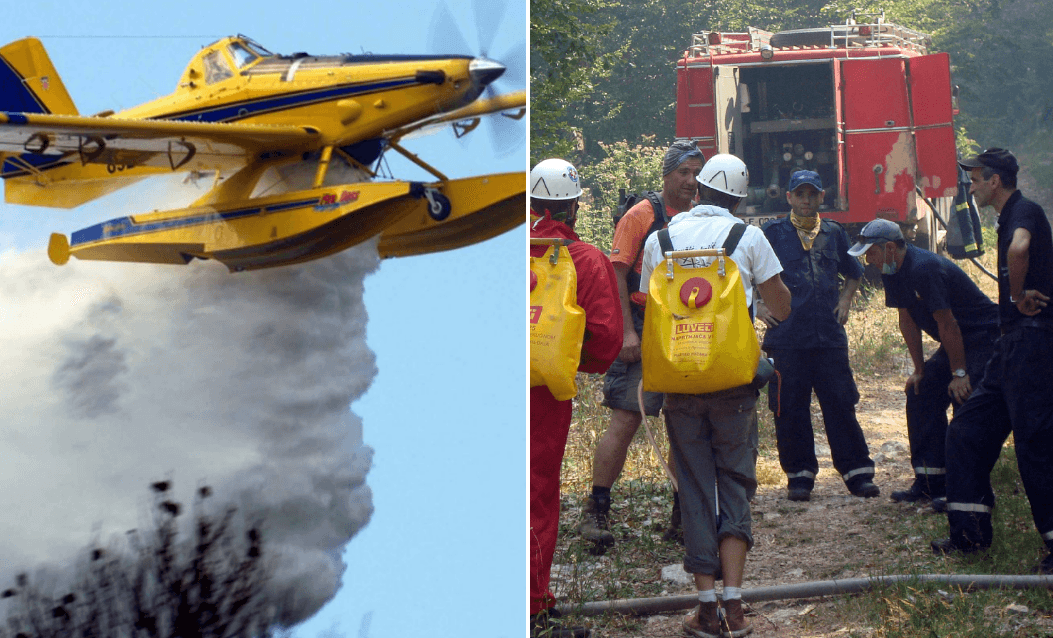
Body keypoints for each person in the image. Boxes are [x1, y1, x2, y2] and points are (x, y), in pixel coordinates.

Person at [639, 154, 791, 638]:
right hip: (733, 383)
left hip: (680, 382)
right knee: (735, 484)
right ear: (740, 199)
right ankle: (737, 606)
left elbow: (649, 303)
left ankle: (705, 610)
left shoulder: (659, 240)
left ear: (698, 189)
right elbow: (783, 308)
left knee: (697, 490)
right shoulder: (748, 237)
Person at [926, 148, 1053, 573]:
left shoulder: (1023, 212)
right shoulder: (1008, 215)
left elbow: (1019, 249)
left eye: (977, 179)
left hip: (1033, 344)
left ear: (995, 181)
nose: (973, 186)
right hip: (1009, 348)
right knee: (967, 430)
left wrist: (1017, 298)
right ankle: (969, 536)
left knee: (1034, 444)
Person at [578, 140, 704, 550]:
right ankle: (596, 509)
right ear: (666, 174)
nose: (690, 180)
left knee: (682, 422)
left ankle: (681, 514)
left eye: (695, 172)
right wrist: (626, 333)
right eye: (683, 172)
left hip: (682, 327)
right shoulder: (641, 215)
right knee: (627, 419)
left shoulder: (700, 215)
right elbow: (616, 273)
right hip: (639, 323)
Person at [529, 159, 622, 637]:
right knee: (536, 492)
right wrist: (561, 358)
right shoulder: (582, 258)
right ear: (573, 206)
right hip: (543, 393)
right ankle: (531, 611)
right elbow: (606, 338)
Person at [847, 218, 999, 506]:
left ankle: (966, 490)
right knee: (922, 390)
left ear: (890, 248)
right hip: (956, 339)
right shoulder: (891, 270)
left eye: (872, 253)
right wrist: (919, 370)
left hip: (983, 338)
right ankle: (930, 482)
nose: (869, 261)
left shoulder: (924, 269)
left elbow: (948, 324)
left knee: (962, 397)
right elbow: (907, 319)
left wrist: (960, 373)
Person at [757, 170, 879, 502]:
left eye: (812, 194)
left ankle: (857, 474)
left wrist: (845, 300)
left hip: (828, 338)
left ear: (821, 197)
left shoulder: (834, 233)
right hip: (787, 339)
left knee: (841, 403)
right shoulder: (772, 233)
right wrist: (757, 306)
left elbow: (854, 272)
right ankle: (799, 477)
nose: (806, 200)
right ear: (789, 198)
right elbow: (747, 270)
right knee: (789, 408)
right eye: (800, 194)